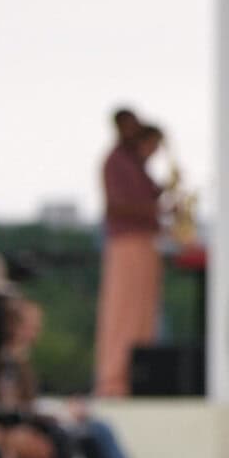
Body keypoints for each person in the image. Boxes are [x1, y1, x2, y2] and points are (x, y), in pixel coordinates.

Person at [94, 110, 164, 397]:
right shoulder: (116, 161)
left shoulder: (133, 162)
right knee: (123, 311)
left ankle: (137, 375)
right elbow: (117, 206)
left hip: (144, 242)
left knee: (143, 313)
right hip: (127, 243)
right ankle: (114, 380)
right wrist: (155, 208)